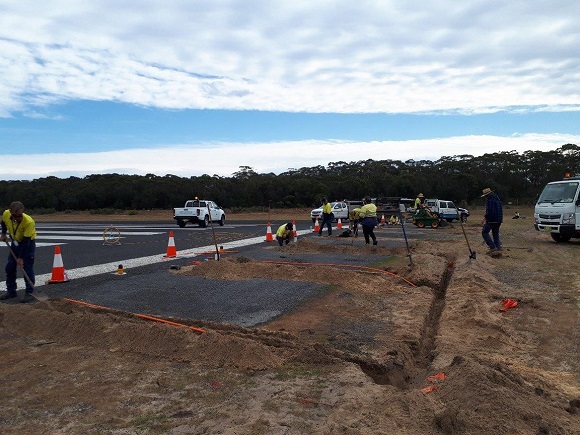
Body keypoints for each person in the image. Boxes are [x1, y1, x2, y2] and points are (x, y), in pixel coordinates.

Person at [1, 201, 37, 303]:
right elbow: (3, 222)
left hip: (27, 244)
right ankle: (11, 291)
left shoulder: (28, 221)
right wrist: (3, 233)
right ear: (11, 212)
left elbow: (26, 242)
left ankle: (30, 292)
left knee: (27, 267)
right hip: (15, 242)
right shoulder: (6, 214)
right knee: (10, 267)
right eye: (15, 215)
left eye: (20, 214)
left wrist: (21, 258)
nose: (18, 217)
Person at [481, 188, 503, 257]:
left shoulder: (490, 200)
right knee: (495, 234)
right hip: (498, 220)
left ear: (487, 195)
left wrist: (486, 218)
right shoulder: (497, 199)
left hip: (492, 220)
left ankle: (492, 247)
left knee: (484, 232)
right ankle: (498, 249)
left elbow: (490, 211)